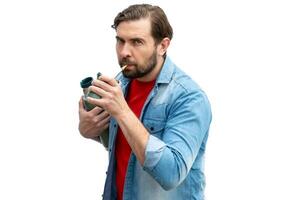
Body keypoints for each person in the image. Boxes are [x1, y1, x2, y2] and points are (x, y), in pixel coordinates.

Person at [78, 4, 212, 200]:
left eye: (137, 42)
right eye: (120, 41)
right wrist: (90, 130)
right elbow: (124, 145)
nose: (124, 51)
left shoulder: (190, 98)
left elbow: (171, 173)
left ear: (163, 46)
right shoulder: (121, 84)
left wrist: (122, 111)